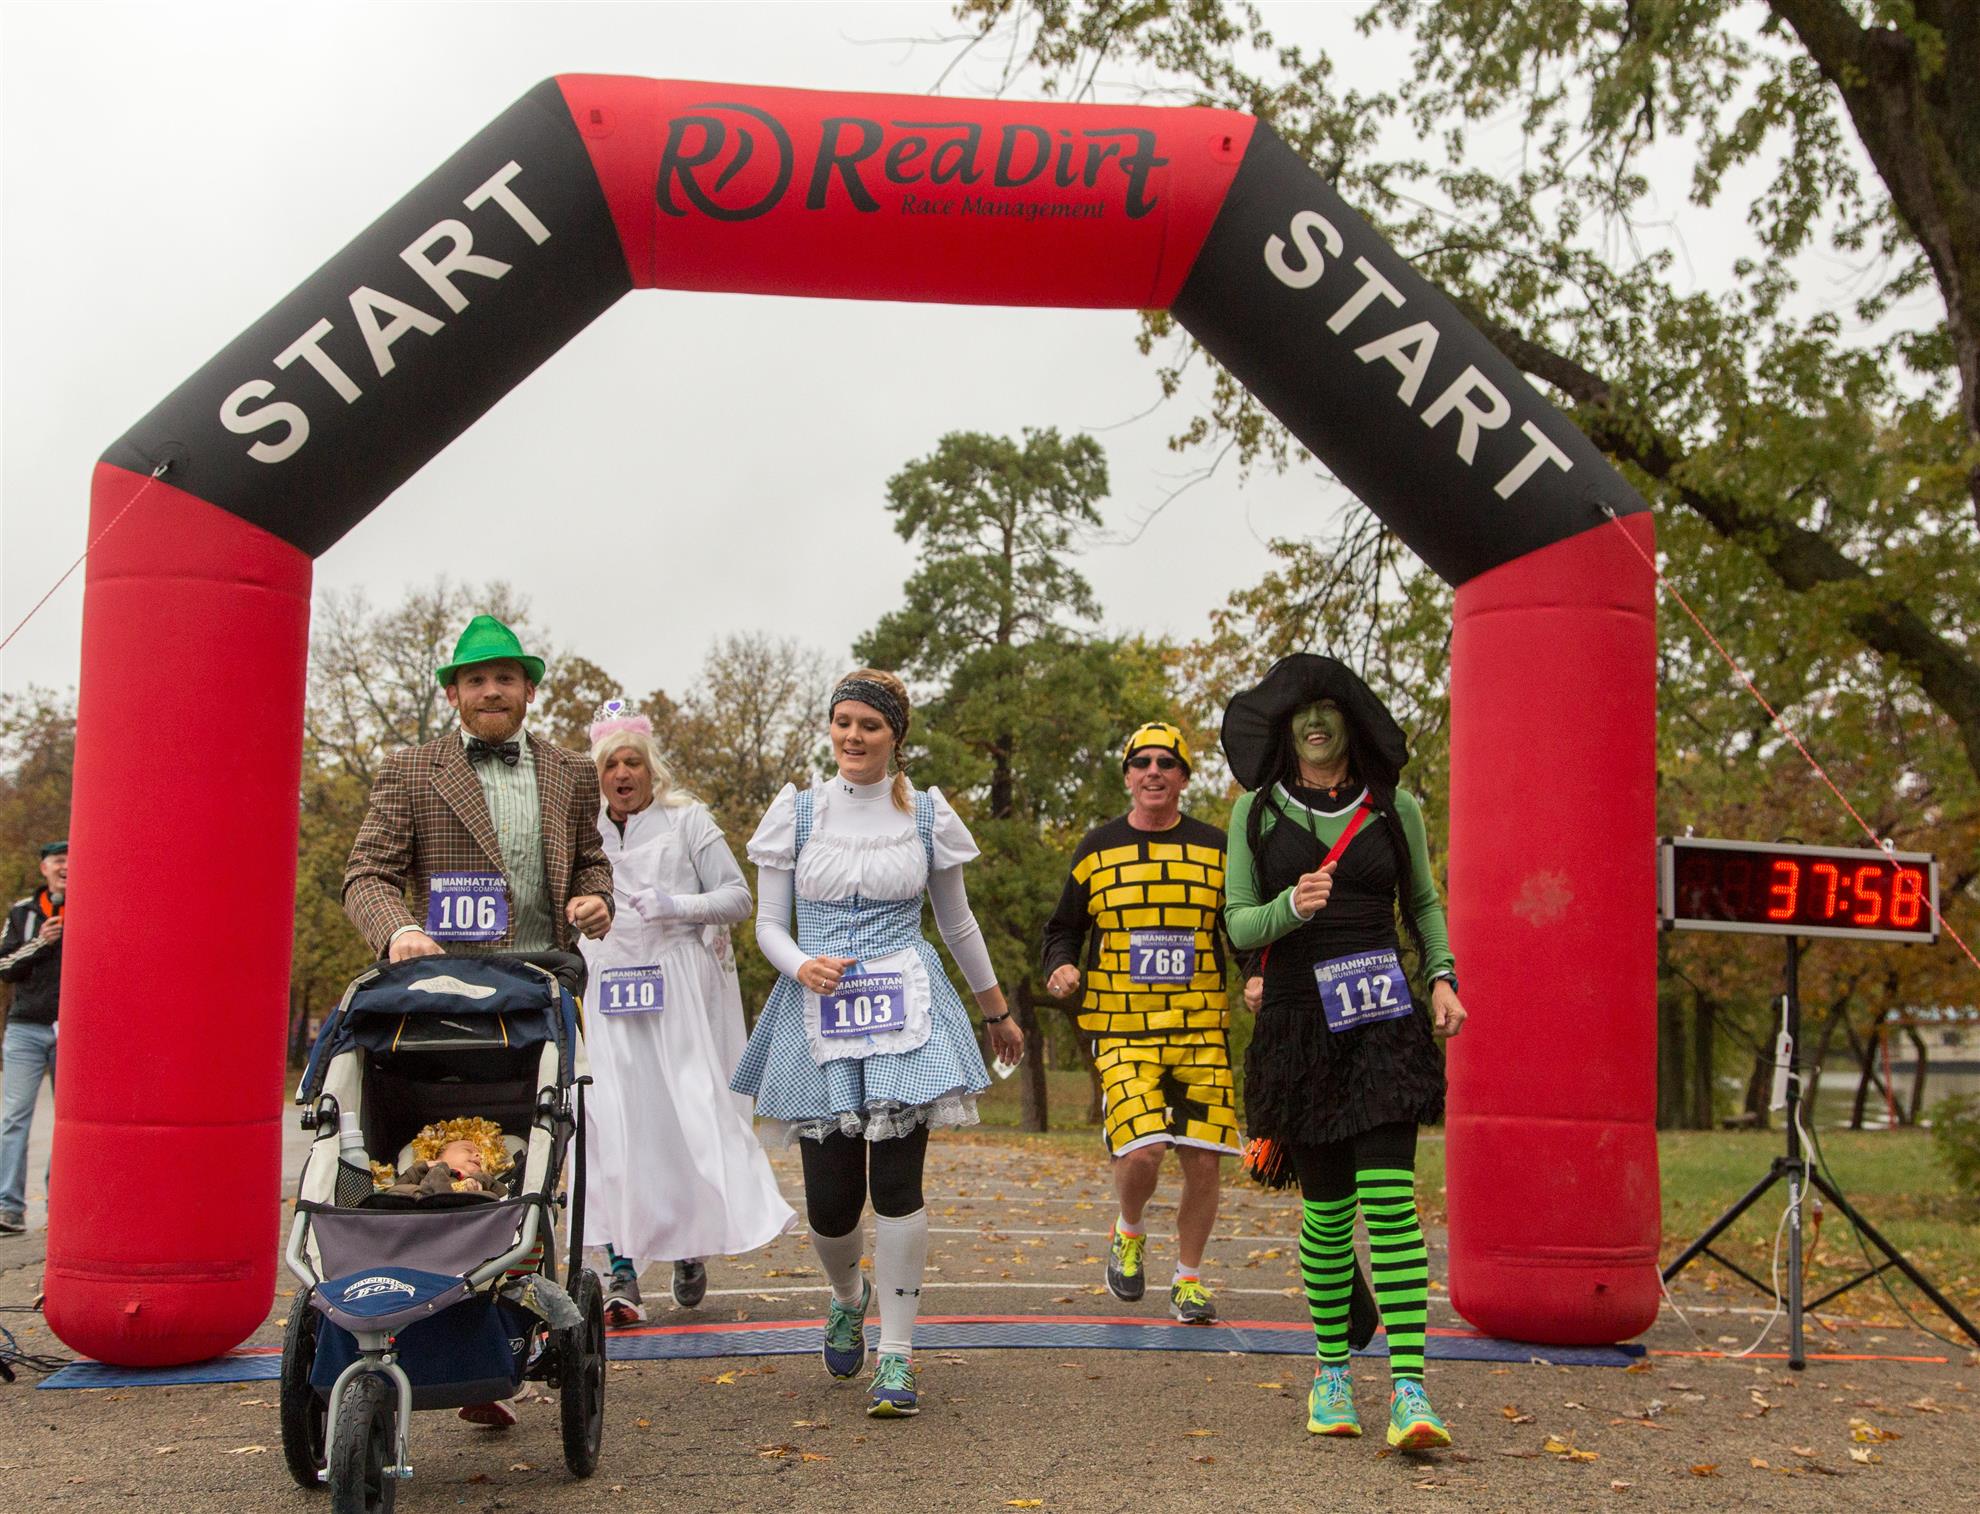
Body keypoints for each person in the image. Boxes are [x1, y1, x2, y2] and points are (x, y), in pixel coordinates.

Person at [731, 669, 1024, 1419]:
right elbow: (767, 925)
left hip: (904, 1010)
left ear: (895, 734)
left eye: (869, 724)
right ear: (830, 728)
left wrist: (996, 1010)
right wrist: (802, 964)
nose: (853, 736)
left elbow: (956, 924)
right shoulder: (796, 813)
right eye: (843, 722)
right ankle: (845, 1295)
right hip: (818, 1008)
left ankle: (897, 1356)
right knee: (831, 1202)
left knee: (897, 1186)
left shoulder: (925, 814)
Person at [342, 614, 613, 1427]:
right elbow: (367, 873)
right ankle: (435, 1327)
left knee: (536, 1164)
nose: (491, 690)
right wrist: (398, 931)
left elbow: (593, 856)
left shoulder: (570, 772)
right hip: (436, 1000)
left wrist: (599, 897)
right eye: (474, 679)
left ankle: (505, 1329)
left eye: (505, 677)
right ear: (454, 694)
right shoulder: (411, 770)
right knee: (428, 1159)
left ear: (529, 689)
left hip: (540, 991)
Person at [1222, 654, 1467, 1451]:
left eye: (1330, 709)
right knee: (1327, 1214)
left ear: (1351, 722)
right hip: (1297, 1025)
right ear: (1285, 727)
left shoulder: (1398, 810)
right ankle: (1332, 1374)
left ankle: (1409, 1390)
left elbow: (1423, 903)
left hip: (1382, 1017)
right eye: (1302, 712)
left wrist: (1442, 978)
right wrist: (1288, 906)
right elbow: (1238, 924)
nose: (1317, 723)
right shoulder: (1254, 814)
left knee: (1391, 1201)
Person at [578, 701, 794, 1323]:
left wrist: (674, 904)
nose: (622, 774)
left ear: (652, 770)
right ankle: (621, 1269)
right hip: (609, 987)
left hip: (676, 987)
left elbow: (737, 898)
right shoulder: (582, 829)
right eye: (610, 765)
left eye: (633, 762)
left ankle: (688, 1244)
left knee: (687, 1119)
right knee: (615, 1122)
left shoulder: (687, 820)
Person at [1040, 724, 1259, 1324]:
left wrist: (1256, 972)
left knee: (1205, 1160)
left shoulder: (1218, 848)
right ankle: (1129, 1230)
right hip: (1121, 1028)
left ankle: (1188, 1280)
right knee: (1144, 1153)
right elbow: (1062, 928)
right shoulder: (1097, 847)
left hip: (1199, 1029)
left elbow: (1239, 926)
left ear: (1185, 777)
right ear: (1128, 775)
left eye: (1167, 762)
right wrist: (1060, 966)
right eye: (1142, 763)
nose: (1154, 772)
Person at [0, 840, 66, 1235]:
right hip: (25, 1027)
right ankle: (9, 1207)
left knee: (68, 1121)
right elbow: (4, 966)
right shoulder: (23, 912)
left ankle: (60, 1206)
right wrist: (42, 942)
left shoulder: (96, 906)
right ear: (44, 867)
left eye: (74, 861)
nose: (67, 867)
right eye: (60, 861)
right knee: (14, 1118)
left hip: (74, 1029)